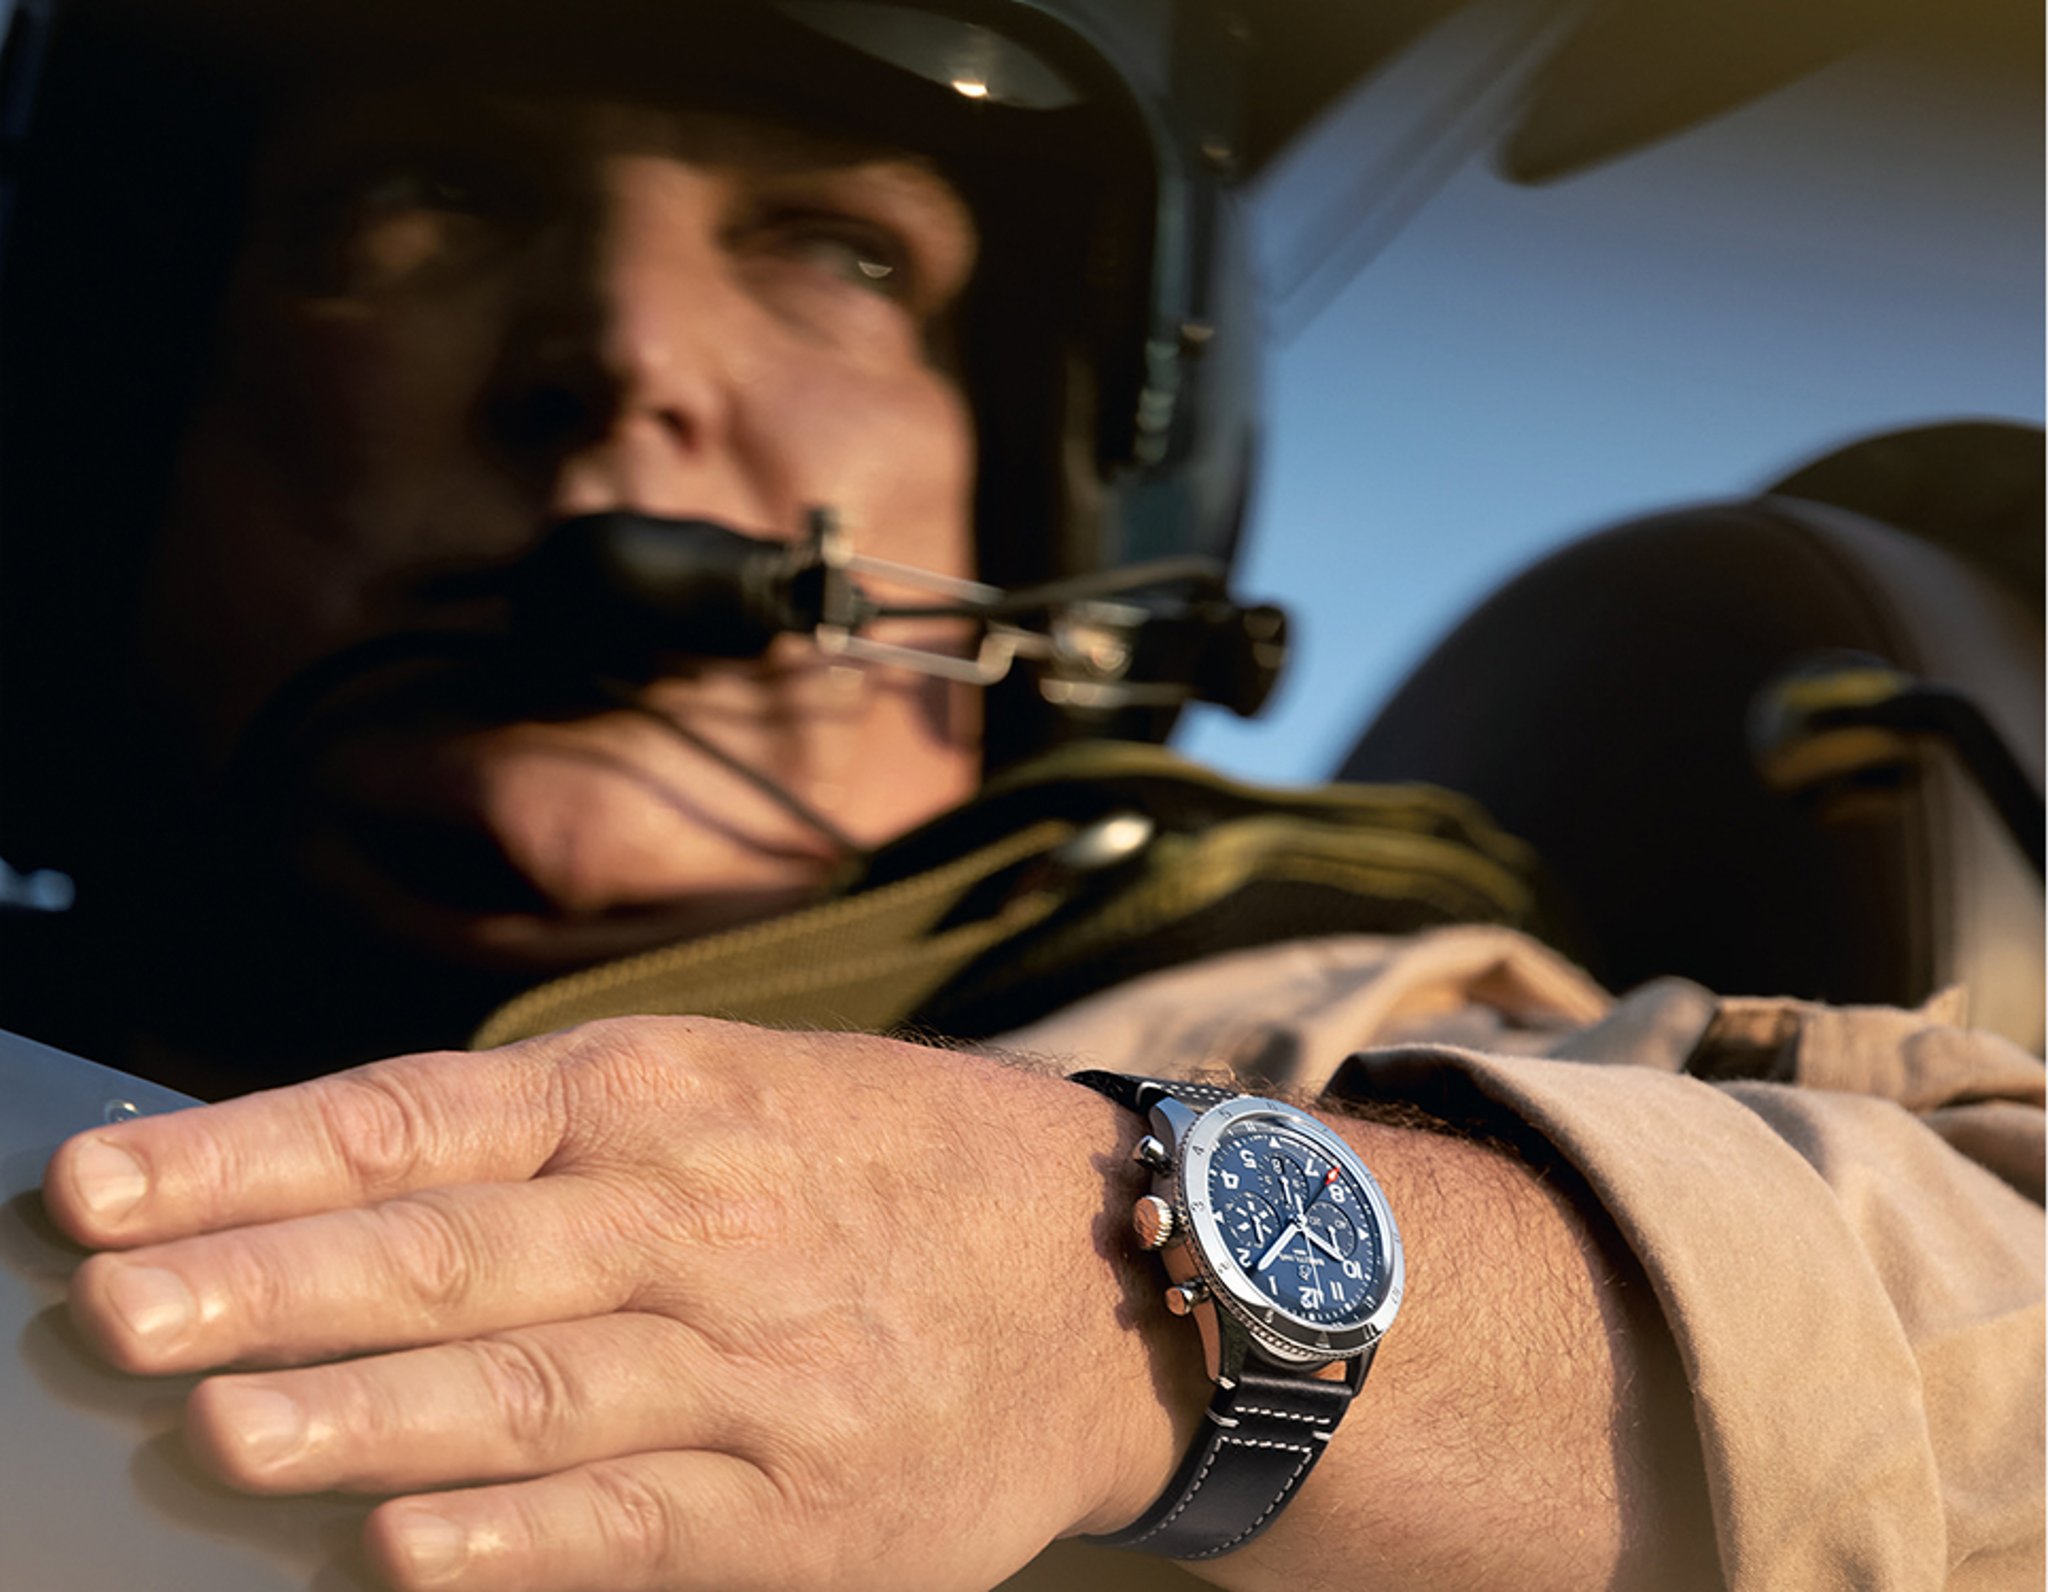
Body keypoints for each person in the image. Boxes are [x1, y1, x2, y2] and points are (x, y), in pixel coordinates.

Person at [3, 2, 2040, 1589]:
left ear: (1054, 499)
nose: (617, 361)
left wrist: (1109, 1311)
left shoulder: (1307, 1039)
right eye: (422, 205)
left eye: (836, 253)